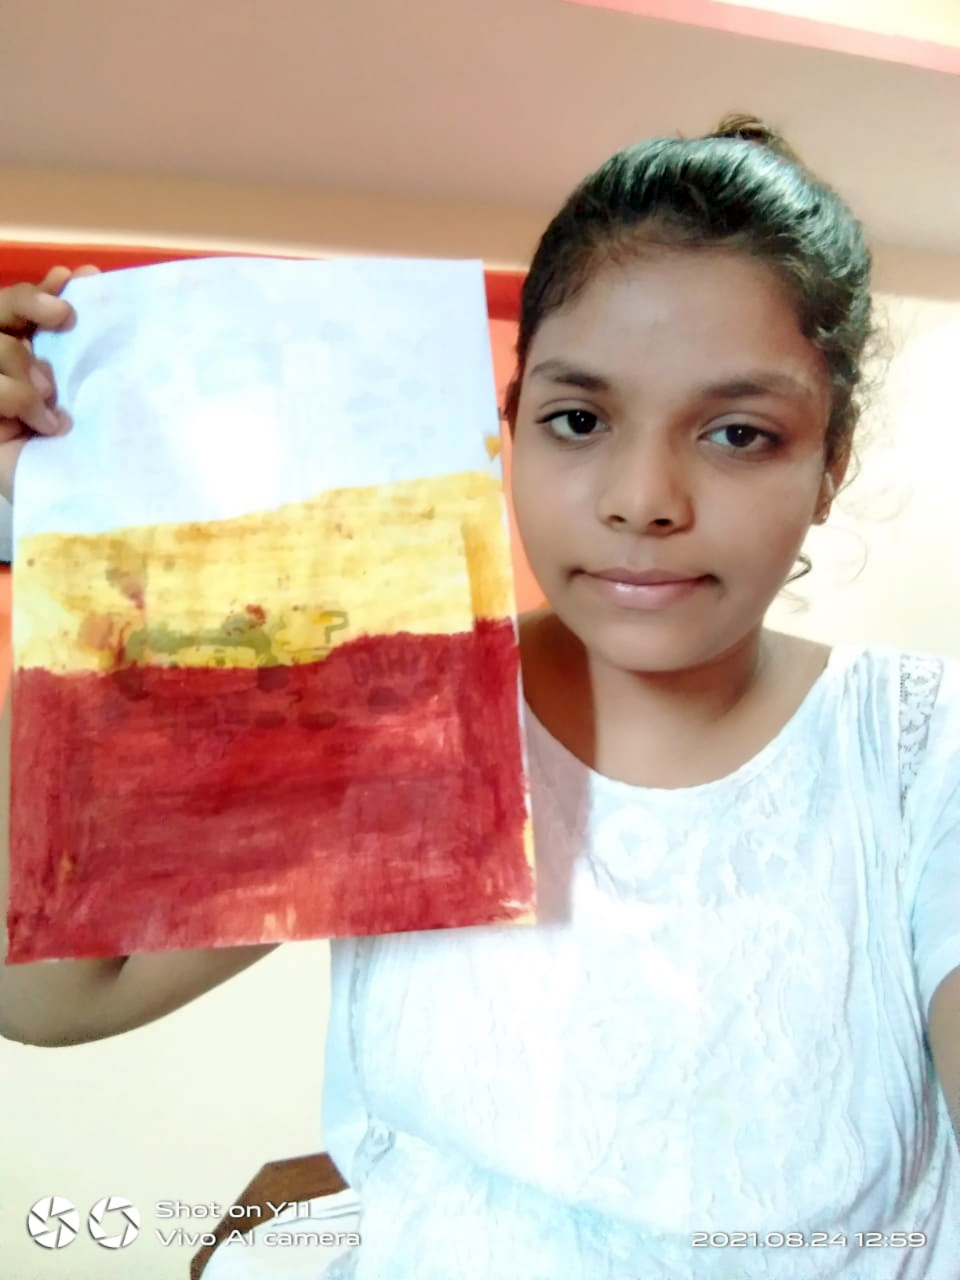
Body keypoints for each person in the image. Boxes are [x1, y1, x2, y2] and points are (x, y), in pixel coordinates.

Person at [1, 114, 959, 1278]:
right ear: (509, 425)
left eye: (738, 433)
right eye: (579, 419)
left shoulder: (916, 752)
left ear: (830, 464)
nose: (643, 498)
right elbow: (54, 992)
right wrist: (48, 541)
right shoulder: (397, 698)